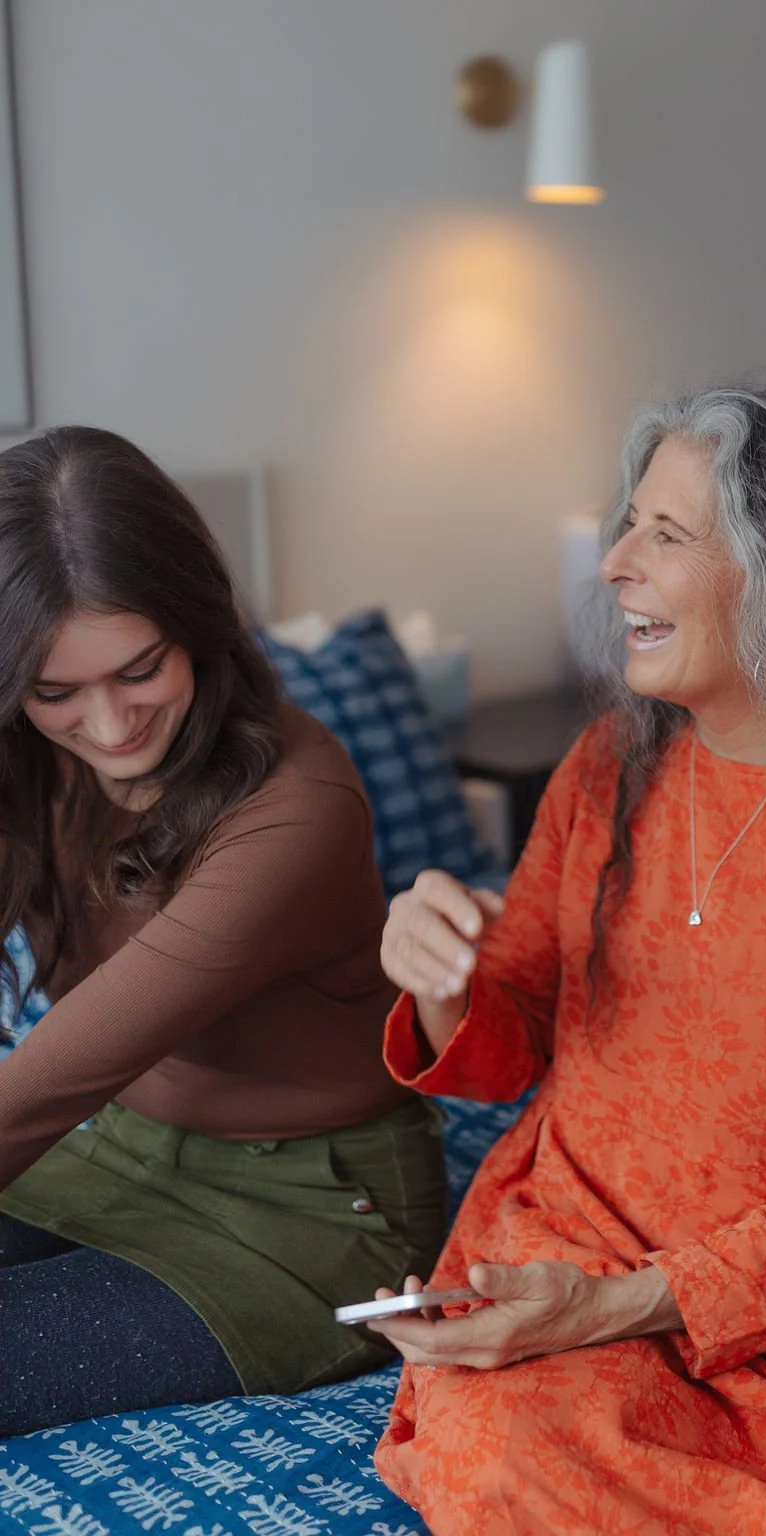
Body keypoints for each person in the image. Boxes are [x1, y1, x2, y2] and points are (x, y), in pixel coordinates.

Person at [371, 387, 766, 1534]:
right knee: (492, 1457)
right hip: (584, 1242)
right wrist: (439, 984)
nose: (615, 563)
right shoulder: (607, 764)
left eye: (665, 536)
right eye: (627, 525)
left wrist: (603, 1311)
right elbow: (507, 1036)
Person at [0, 427, 447, 1436]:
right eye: (55, 691)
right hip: (116, 1147)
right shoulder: (28, 757)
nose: (110, 728)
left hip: (310, 1214)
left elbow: (56, 1076)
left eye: (140, 669)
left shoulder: (298, 811)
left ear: (197, 622)